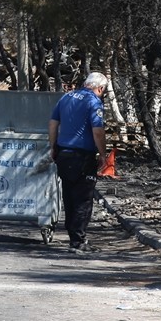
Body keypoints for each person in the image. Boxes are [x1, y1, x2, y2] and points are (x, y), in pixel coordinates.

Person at [48, 72, 109, 253]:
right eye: (103, 91)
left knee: (69, 196)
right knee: (83, 199)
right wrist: (103, 155)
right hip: (82, 156)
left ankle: (73, 237)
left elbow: (52, 124)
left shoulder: (66, 97)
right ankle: (79, 241)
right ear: (100, 88)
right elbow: (97, 131)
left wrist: (53, 147)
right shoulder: (94, 102)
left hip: (63, 154)